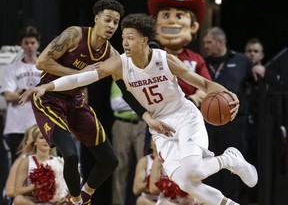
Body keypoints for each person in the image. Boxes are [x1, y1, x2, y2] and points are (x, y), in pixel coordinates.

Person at [19, 13, 259, 205]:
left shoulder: (164, 60)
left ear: (144, 40)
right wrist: (48, 85)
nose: (125, 42)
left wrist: (227, 94)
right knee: (185, 182)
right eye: (123, 37)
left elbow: (205, 84)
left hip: (184, 117)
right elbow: (83, 78)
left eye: (131, 37)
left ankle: (229, 159)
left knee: (194, 169)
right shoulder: (119, 63)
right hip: (159, 126)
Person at [16, 0, 127, 205]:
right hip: (48, 98)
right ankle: (75, 201)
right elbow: (42, 63)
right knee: (70, 155)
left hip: (76, 101)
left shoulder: (111, 54)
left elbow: (128, 84)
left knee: (110, 161)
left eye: (115, 22)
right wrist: (77, 73)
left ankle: (84, 195)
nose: (111, 25)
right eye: (108, 20)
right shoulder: (75, 35)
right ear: (97, 19)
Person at [202, 27, 265, 203]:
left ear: (220, 42)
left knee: (234, 166)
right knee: (209, 163)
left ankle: (233, 201)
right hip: (207, 122)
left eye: (209, 42)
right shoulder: (203, 62)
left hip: (235, 122)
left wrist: (259, 68)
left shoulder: (241, 60)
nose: (205, 46)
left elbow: (256, 73)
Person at [147, 0, 211, 107]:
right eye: (166, 15)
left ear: (193, 27)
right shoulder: (149, 55)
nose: (172, 21)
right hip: (157, 115)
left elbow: (207, 85)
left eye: (179, 16)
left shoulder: (196, 59)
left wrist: (194, 99)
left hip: (187, 115)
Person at [1, 26, 41, 164]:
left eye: (32, 43)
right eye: (26, 43)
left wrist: (22, 93)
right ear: (21, 45)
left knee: (39, 167)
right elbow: (8, 96)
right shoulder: (12, 69)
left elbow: (50, 94)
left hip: (39, 125)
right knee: (17, 168)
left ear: (38, 44)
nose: (30, 46)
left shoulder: (45, 67)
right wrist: (34, 93)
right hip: (17, 126)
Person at [110, 81, 147, 205]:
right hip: (122, 125)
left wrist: (130, 102)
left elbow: (150, 102)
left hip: (142, 125)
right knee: (120, 168)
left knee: (145, 167)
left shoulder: (142, 77)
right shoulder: (118, 77)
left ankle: (145, 202)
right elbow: (115, 103)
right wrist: (139, 103)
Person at [13, 126, 67, 205]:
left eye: (48, 139)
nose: (46, 141)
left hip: (53, 201)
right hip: (33, 201)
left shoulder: (58, 161)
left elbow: (65, 188)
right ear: (35, 142)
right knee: (18, 199)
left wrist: (60, 197)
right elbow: (17, 191)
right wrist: (35, 187)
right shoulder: (27, 161)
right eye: (42, 138)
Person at [243, 38, 265, 204]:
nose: (252, 54)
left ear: (262, 55)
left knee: (260, 163)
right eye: (249, 51)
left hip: (261, 129)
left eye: (255, 51)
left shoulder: (269, 75)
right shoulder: (240, 74)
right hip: (242, 128)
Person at [5, 124, 38, 203]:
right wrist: (34, 190)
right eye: (34, 136)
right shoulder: (22, 160)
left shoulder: (55, 159)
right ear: (26, 141)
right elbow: (9, 191)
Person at [132, 139, 159, 205]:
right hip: (150, 201)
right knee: (141, 200)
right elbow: (136, 188)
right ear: (150, 144)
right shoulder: (145, 161)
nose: (158, 140)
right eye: (155, 137)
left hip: (169, 200)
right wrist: (158, 182)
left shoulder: (172, 160)